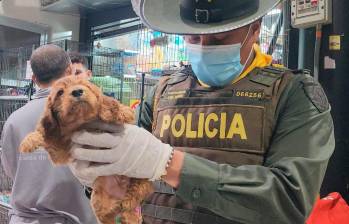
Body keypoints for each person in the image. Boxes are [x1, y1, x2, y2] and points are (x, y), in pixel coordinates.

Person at [68, 0, 335, 223]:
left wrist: (169, 164)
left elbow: (290, 198)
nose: (205, 45)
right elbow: (125, 173)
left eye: (220, 37)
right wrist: (101, 176)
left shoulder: (293, 94)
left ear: (254, 29)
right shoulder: (161, 93)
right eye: (194, 37)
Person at [0, 45, 97, 224]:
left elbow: (11, 170)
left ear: (34, 78)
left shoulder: (13, 121)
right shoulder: (87, 116)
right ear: (69, 71)